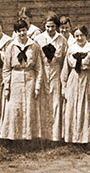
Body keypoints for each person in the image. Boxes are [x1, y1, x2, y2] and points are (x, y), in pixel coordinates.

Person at [0, 20, 42, 141]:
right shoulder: (11, 47)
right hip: (16, 79)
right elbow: (6, 68)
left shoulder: (34, 46)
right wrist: (7, 87)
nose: (22, 33)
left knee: (29, 107)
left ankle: (29, 138)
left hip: (30, 78)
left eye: (24, 30)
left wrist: (37, 86)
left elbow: (38, 67)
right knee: (15, 108)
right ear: (16, 32)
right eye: (19, 31)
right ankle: (14, 138)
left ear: (27, 31)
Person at [60, 25, 90, 144]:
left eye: (81, 35)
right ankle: (72, 138)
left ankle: (85, 138)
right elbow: (65, 69)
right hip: (73, 78)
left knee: (85, 107)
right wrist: (64, 85)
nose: (79, 38)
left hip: (87, 79)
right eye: (76, 36)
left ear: (86, 36)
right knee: (72, 106)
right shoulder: (71, 49)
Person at [34, 11, 67, 142]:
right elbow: (36, 59)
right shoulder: (38, 39)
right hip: (43, 72)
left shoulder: (62, 40)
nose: (50, 29)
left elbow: (65, 60)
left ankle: (55, 136)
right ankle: (43, 136)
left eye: (53, 26)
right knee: (43, 103)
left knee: (55, 103)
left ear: (57, 26)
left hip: (56, 72)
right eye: (48, 26)